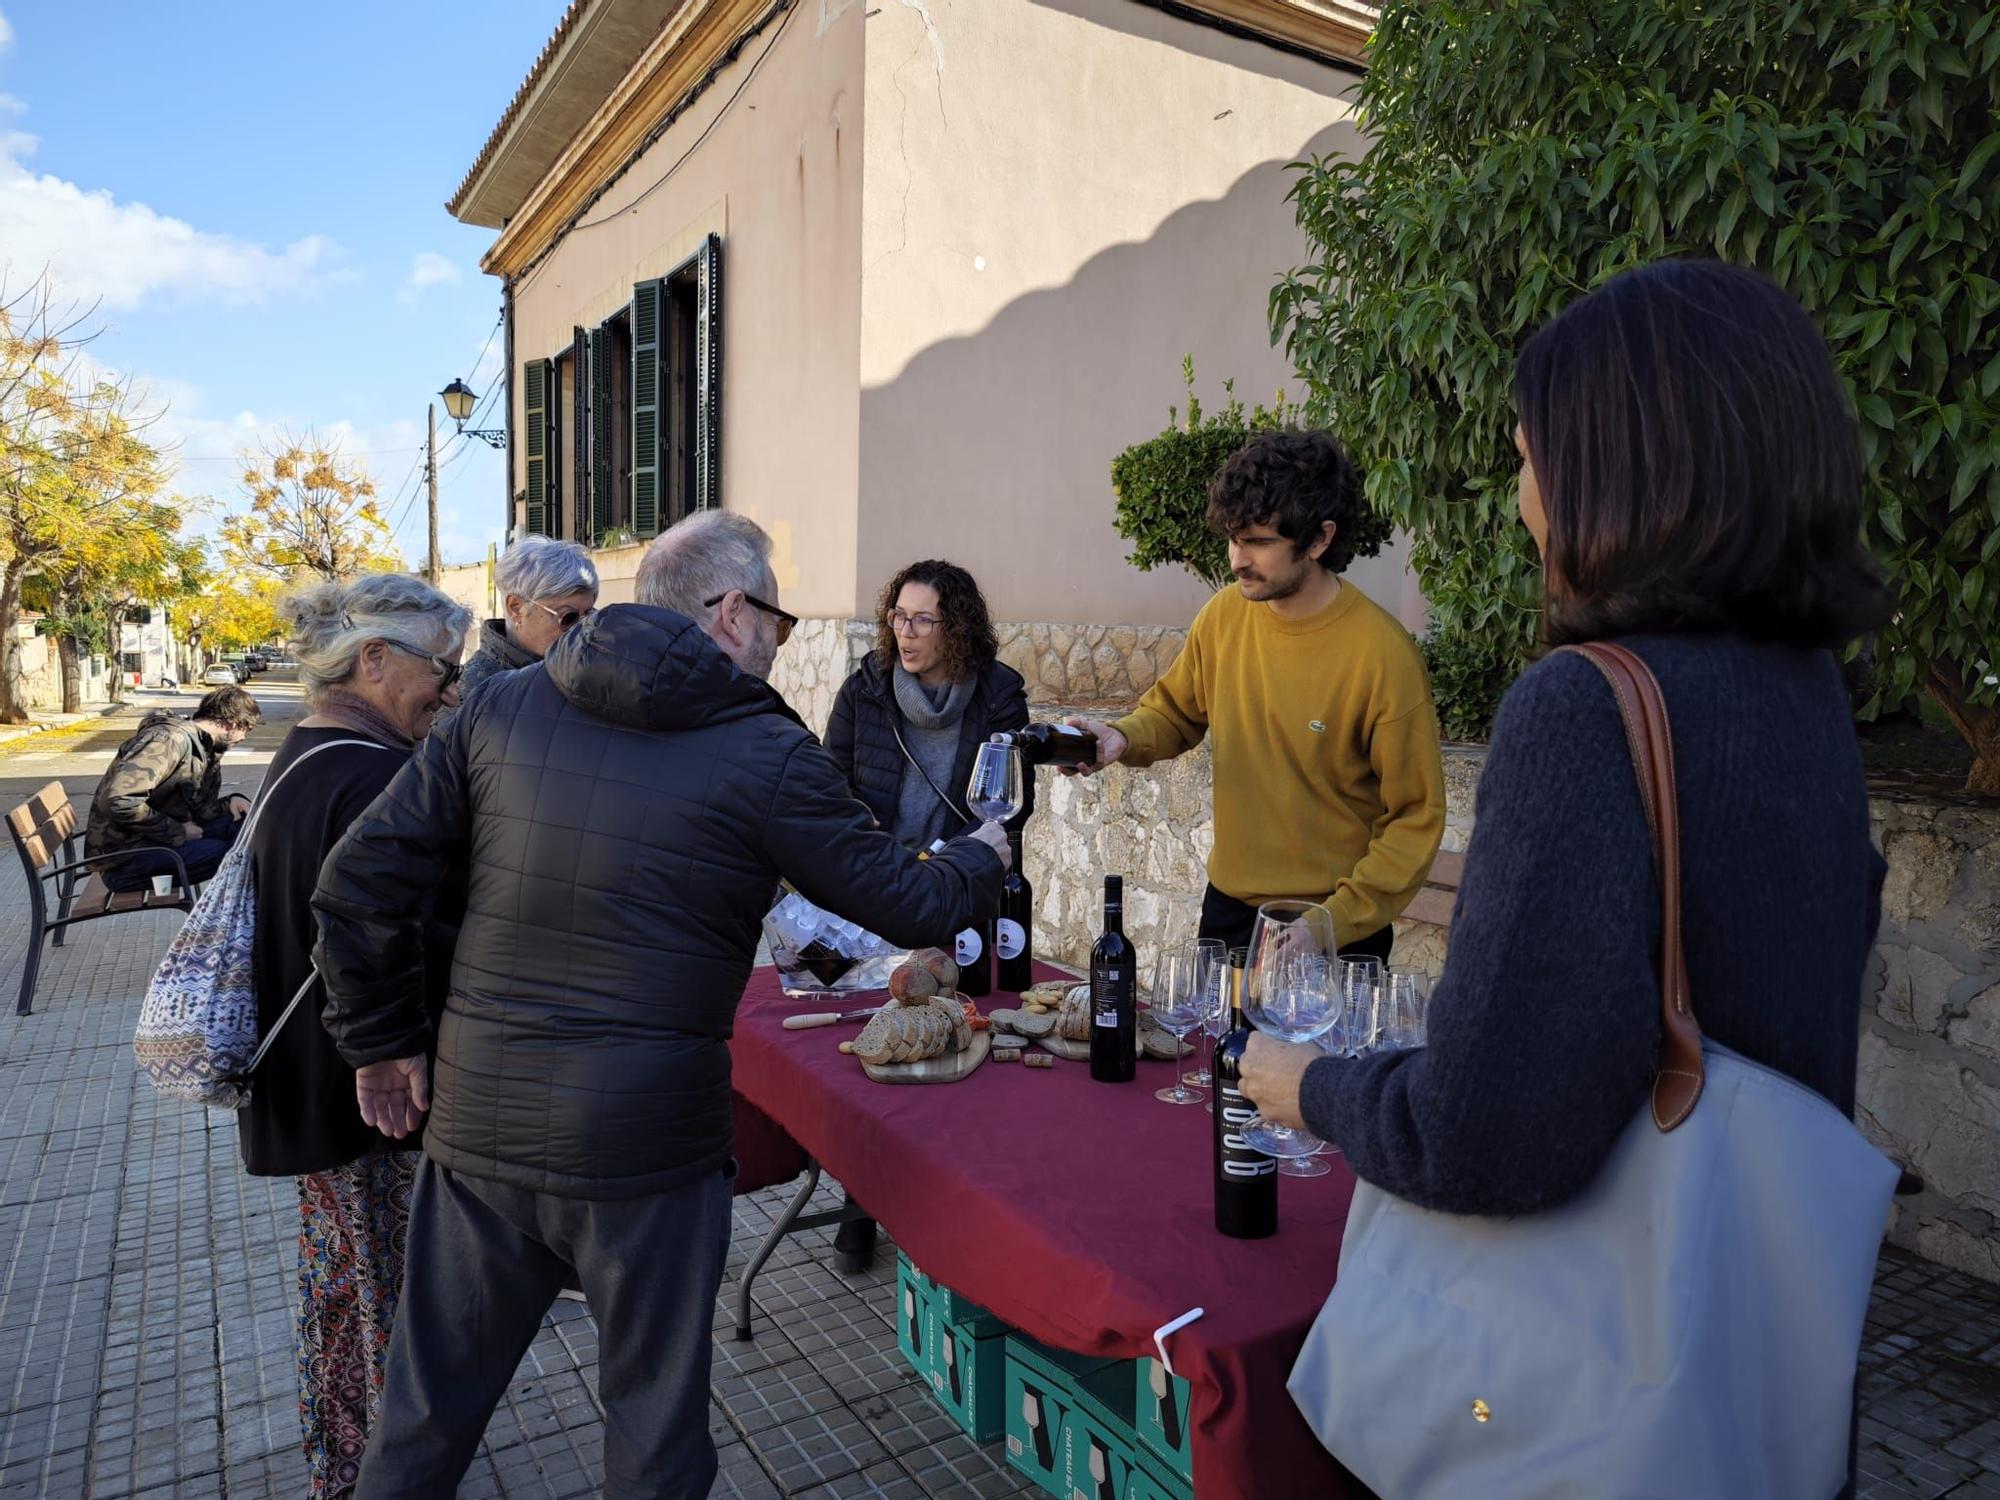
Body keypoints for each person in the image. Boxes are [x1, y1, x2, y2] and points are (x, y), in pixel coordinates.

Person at [1239, 261, 1893, 1492]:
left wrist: (1305, 1086)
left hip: (1581, 1415)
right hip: (1750, 1377)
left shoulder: (1585, 708)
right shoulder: (1804, 693)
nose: (1522, 503)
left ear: (1617, 470)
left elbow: (1483, 1138)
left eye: (1530, 459)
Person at [311, 510, 1009, 1500]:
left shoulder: (501, 707)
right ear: (729, 612)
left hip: (479, 1129)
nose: (779, 638)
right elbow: (913, 900)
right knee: (653, 1439)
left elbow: (356, 883)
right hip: (644, 1149)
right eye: (777, 615)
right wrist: (985, 849)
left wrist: (380, 1042)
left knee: (423, 1423)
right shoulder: (765, 750)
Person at [240, 573, 472, 1500]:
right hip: (369, 1094)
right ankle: (387, 1478)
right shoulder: (375, 775)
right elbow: (395, 935)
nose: (448, 691)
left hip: (323, 1083)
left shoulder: (307, 752)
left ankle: (344, 1469)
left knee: (346, 1297)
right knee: (390, 1311)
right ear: (373, 659)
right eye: (439, 670)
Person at [1068, 429, 1446, 958]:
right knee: (1215, 1046)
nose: (1237, 560)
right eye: (1233, 538)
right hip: (1229, 912)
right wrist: (1122, 738)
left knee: (1309, 1048)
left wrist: (1333, 922)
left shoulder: (1382, 655)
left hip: (1333, 931)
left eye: (1260, 542)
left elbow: (1414, 816)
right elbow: (1174, 712)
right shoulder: (1223, 616)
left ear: (1319, 539)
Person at [822, 558, 1031, 1271]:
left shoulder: (999, 694)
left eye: (922, 620)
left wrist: (957, 861)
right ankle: (860, 1205)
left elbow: (1013, 801)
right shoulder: (866, 690)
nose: (904, 633)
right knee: (880, 1044)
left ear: (957, 626)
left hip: (962, 889)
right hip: (880, 887)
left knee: (955, 1047)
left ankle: (945, 1213)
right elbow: (832, 787)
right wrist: (876, 863)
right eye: (897, 617)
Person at [85, 685, 262, 890]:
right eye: (246, 730)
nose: (243, 738)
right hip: (125, 860)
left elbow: (197, 808)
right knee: (236, 855)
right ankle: (236, 917)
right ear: (233, 724)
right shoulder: (169, 741)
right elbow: (117, 800)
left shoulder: (202, 747)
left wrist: (230, 802)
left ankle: (248, 914)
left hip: (151, 841)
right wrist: (179, 831)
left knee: (246, 829)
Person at [432, 534, 598, 733]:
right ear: (516, 608)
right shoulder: (471, 695)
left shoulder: (588, 672)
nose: (580, 630)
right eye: (568, 617)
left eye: (589, 617)